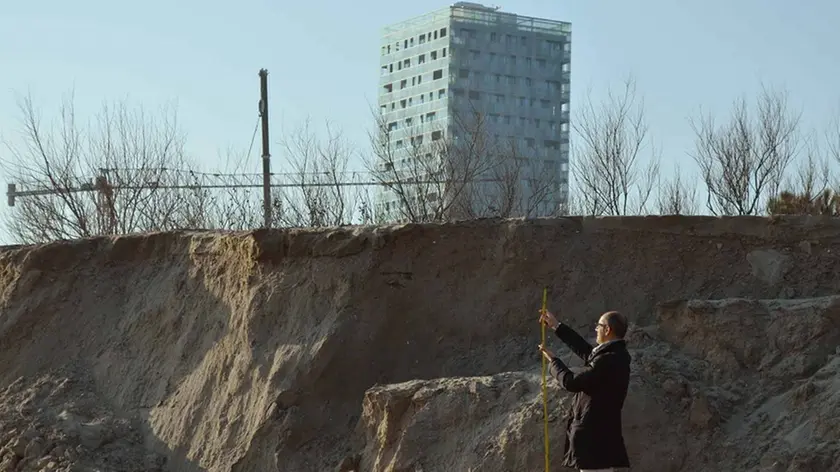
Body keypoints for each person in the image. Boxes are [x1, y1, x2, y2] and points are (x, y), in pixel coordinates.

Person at [538, 309, 631, 472]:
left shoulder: (609, 359)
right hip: (599, 442)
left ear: (607, 329)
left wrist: (553, 362)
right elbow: (587, 352)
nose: (596, 329)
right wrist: (556, 326)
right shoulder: (615, 355)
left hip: (594, 444)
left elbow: (571, 383)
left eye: (599, 326)